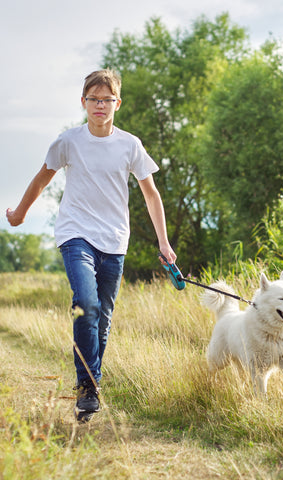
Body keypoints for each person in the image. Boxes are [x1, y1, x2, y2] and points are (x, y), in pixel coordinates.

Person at [6, 69, 176, 422]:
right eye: (94, 99)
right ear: (83, 102)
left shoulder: (130, 145)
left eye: (107, 99)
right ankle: (88, 388)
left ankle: (90, 384)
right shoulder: (69, 141)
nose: (100, 105)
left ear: (118, 103)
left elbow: (151, 194)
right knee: (85, 302)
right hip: (75, 233)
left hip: (114, 240)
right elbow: (42, 177)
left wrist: (163, 242)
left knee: (103, 316)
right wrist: (20, 213)